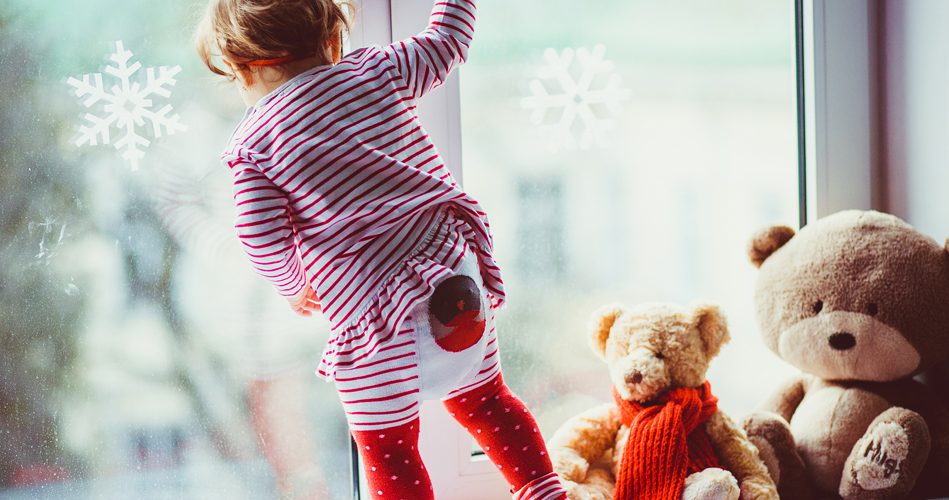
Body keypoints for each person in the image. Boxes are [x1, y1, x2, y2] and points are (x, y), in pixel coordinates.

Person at [194, 1, 568, 499]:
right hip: (454, 281)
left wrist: (294, 285)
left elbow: (258, 233)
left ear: (242, 70)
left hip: (374, 321)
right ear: (332, 41)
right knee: (489, 404)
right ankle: (546, 491)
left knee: (390, 450)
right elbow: (449, 41)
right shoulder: (377, 69)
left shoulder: (256, 143)